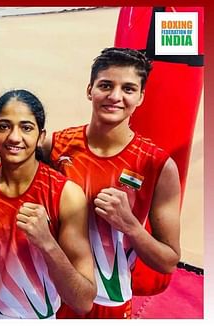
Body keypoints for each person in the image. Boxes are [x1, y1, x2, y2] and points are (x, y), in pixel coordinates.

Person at [43, 48, 181, 318]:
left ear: (141, 97)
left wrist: (130, 225)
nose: (115, 96)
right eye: (106, 85)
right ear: (89, 90)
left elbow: (168, 261)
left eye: (128, 88)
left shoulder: (156, 165)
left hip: (109, 301)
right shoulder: (55, 146)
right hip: (52, 290)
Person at [0, 89, 96, 319]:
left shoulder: (65, 194)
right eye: (4, 126)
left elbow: (84, 300)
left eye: (26, 127)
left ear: (41, 136)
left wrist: (47, 243)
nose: (14, 137)